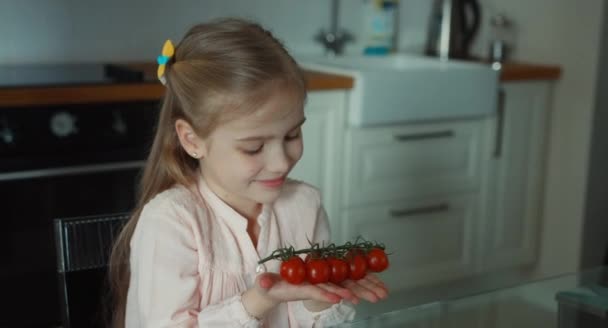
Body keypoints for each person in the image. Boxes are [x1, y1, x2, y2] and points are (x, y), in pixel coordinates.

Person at [109, 18, 389, 328]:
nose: (281, 162)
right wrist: (258, 301)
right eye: (254, 148)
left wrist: (317, 299)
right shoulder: (170, 222)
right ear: (192, 140)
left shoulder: (304, 205)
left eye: (292, 135)